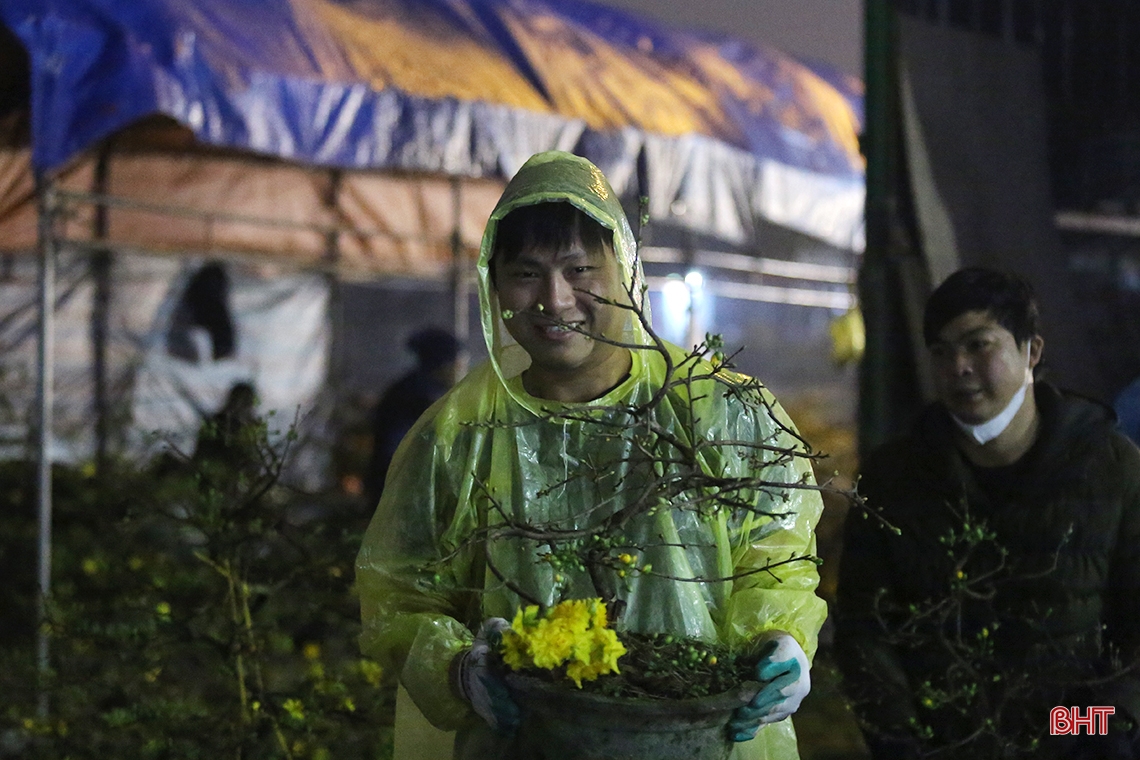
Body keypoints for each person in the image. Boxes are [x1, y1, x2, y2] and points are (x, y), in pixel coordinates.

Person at [355, 151, 827, 760]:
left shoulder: (718, 412)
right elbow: (400, 592)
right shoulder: (458, 435)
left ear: (625, 271)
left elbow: (779, 560)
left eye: (580, 269)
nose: (555, 299)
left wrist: (780, 638)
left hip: (700, 741)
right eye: (526, 273)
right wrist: (455, 668)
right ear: (494, 286)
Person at [835, 267, 1140, 759]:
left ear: (1031, 352)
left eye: (979, 345)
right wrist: (901, 739)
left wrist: (1087, 730)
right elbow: (865, 626)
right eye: (942, 351)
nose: (958, 366)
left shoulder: (1110, 468)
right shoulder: (895, 479)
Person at [363, 326, 462, 509]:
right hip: (403, 491)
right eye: (455, 363)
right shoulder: (423, 396)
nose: (458, 369)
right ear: (443, 364)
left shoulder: (409, 387)